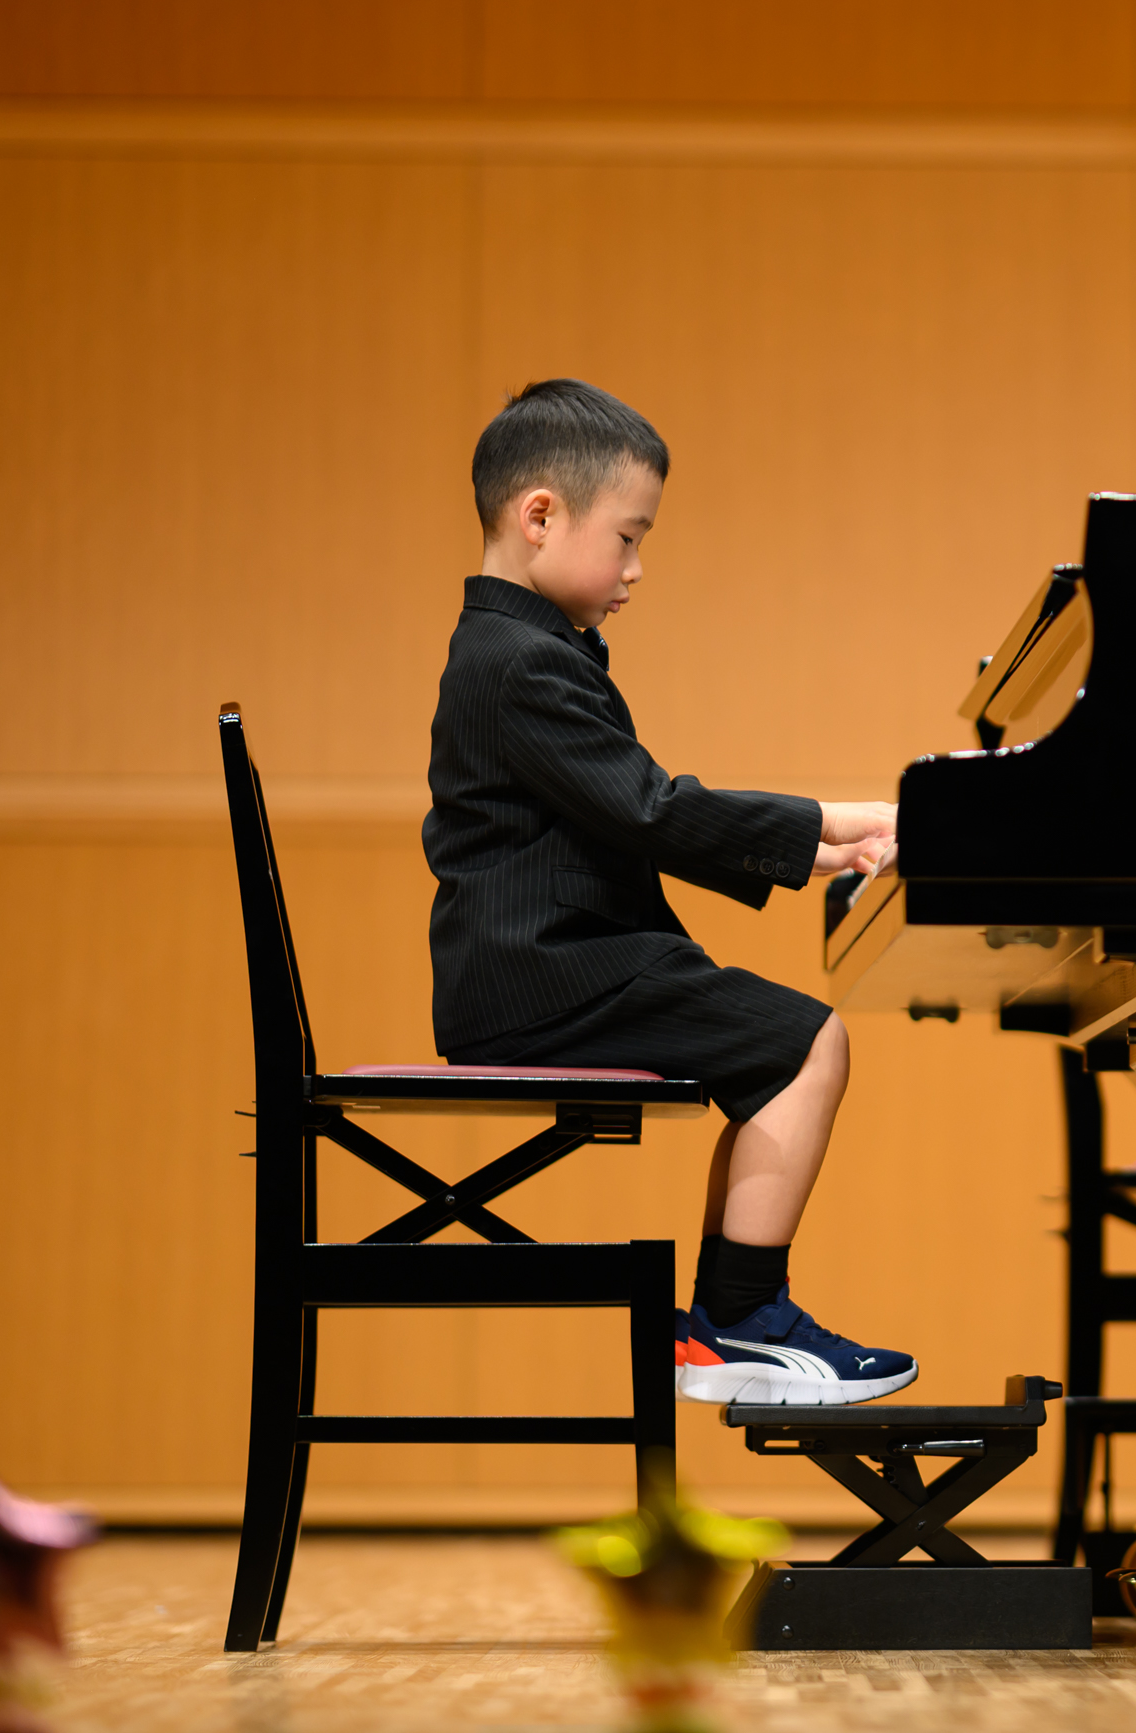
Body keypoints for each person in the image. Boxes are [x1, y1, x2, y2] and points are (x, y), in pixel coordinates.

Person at [423, 377, 913, 1406]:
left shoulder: (518, 650)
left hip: (546, 965)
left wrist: (811, 842)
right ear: (540, 514)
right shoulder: (519, 664)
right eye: (629, 537)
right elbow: (646, 809)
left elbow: (626, 811)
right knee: (803, 1040)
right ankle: (739, 1318)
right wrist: (823, 823)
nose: (638, 569)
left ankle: (733, 1315)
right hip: (541, 976)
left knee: (773, 1043)